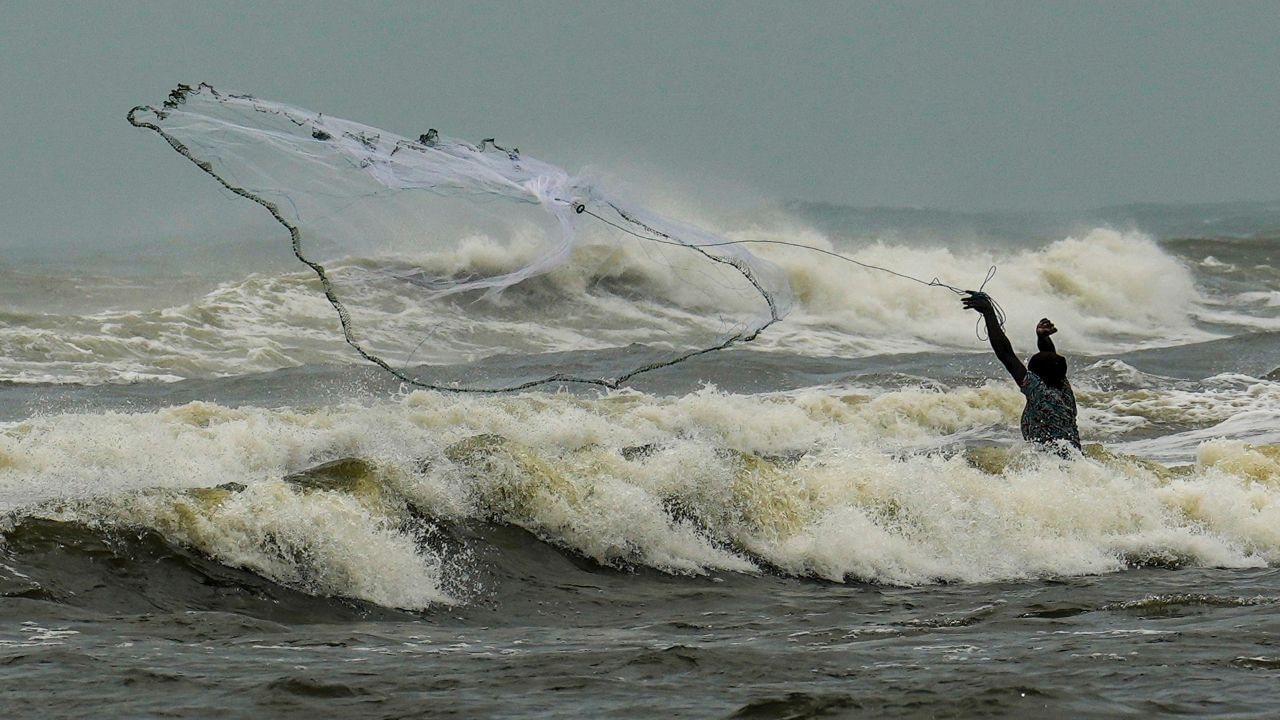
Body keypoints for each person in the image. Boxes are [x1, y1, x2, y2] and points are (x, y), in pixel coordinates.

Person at [962, 292, 1081, 454]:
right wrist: (1043, 338)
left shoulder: (1040, 393)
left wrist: (989, 313)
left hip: (1051, 464)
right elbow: (1051, 362)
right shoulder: (1063, 390)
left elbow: (1005, 353)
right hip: (1072, 460)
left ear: (1036, 378)